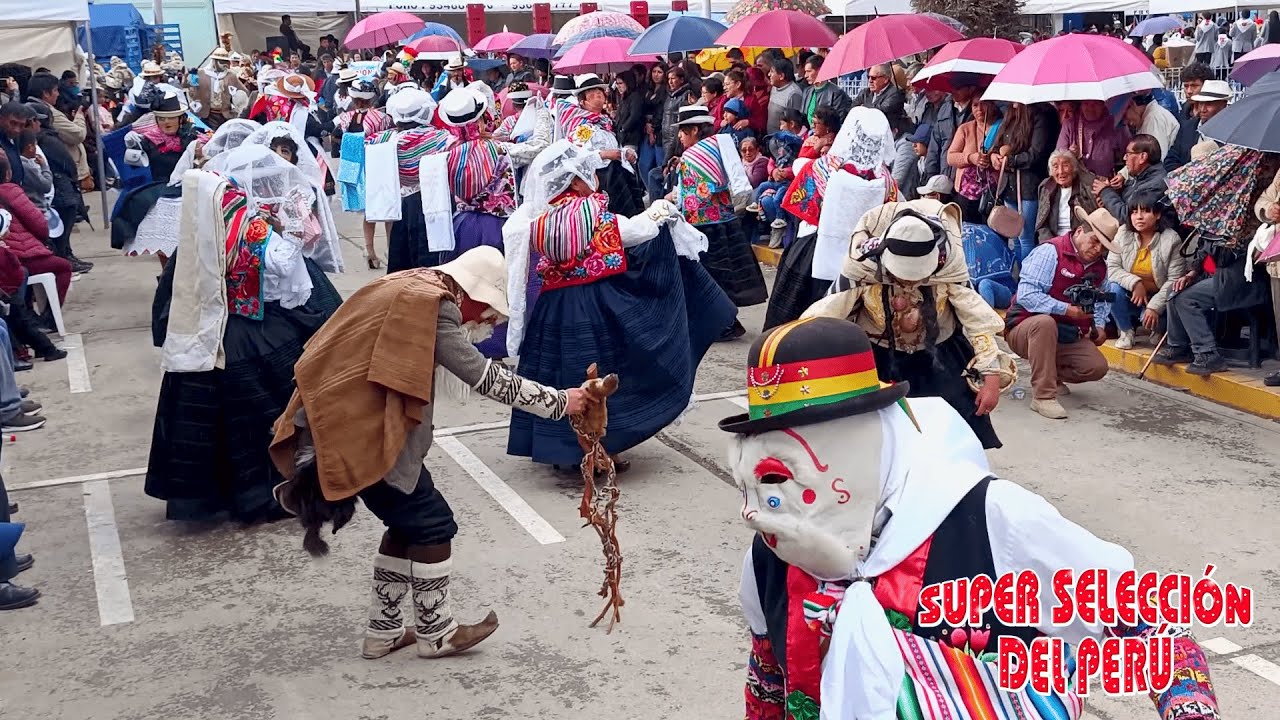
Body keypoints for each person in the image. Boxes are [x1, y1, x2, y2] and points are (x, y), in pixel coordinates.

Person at [723, 318, 1220, 720]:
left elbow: (1154, 630)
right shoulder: (771, 552)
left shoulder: (992, 520)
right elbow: (768, 678)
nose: (759, 508)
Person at [268, 248, 596, 660]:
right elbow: (483, 376)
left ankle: (383, 632)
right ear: (471, 293)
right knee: (433, 526)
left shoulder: (406, 283)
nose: (488, 322)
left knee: (408, 526)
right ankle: (436, 632)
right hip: (366, 436)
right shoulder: (433, 306)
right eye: (489, 311)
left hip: (341, 423)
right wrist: (557, 402)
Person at [504, 139, 735, 473]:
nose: (593, 178)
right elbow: (635, 231)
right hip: (593, 305)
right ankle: (596, 452)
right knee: (597, 378)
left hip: (553, 305)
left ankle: (561, 448)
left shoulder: (537, 219)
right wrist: (662, 210)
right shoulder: (591, 213)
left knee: (556, 373)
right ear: (574, 180)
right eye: (587, 174)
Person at [145, 155, 343, 523]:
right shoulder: (253, 231)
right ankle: (267, 494)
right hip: (255, 337)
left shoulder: (199, 237)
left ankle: (214, 498)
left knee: (211, 423)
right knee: (265, 421)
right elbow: (290, 282)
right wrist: (289, 233)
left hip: (211, 334)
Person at [805, 199, 1012, 449]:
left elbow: (977, 320)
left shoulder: (949, 268)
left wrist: (991, 379)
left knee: (950, 438)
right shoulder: (863, 269)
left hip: (940, 359)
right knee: (876, 441)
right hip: (877, 363)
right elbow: (825, 317)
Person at [764, 108, 899, 331]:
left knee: (795, 322)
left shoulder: (825, 168)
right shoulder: (886, 180)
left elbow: (800, 185)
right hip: (865, 259)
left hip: (815, 254)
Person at [667, 105, 767, 340]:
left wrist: (672, 201)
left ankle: (721, 324)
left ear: (693, 130)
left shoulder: (690, 157)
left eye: (682, 131)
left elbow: (692, 199)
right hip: (728, 221)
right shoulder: (719, 146)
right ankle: (728, 321)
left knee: (708, 278)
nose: (680, 137)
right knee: (727, 275)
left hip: (704, 227)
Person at [1003, 207, 1114, 420]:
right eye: (1094, 240)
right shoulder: (1050, 252)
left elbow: (1102, 299)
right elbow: (1027, 295)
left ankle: (1051, 375)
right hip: (1024, 328)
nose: (1097, 249)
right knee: (1044, 323)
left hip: (1066, 334)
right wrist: (1066, 309)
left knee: (1096, 367)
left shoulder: (1101, 267)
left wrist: (1099, 326)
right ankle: (1043, 396)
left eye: (1103, 245)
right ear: (1080, 231)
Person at [366, 88, 456, 273]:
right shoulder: (442, 138)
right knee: (433, 259)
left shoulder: (385, 140)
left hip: (404, 204)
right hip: (436, 202)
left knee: (403, 259)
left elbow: (366, 139)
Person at [1106, 192, 1186, 349]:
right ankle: (1126, 331)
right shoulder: (1123, 233)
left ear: (1157, 215)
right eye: (1134, 212)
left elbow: (1175, 279)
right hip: (1131, 297)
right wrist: (1136, 283)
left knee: (1151, 327)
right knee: (1112, 288)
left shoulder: (1171, 239)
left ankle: (1158, 327)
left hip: (1158, 299)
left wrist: (1154, 307)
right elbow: (1112, 268)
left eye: (1145, 211)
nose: (1139, 217)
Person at [331, 77, 392, 269]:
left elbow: (334, 136)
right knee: (388, 209)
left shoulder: (345, 119)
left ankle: (369, 249)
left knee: (368, 211)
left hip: (356, 167)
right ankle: (391, 249)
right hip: (378, 165)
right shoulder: (383, 118)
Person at [1035, 149, 1099, 242]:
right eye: (1056, 167)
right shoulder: (1046, 188)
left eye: (1065, 165)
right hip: (1054, 240)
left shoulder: (1086, 187)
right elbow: (1042, 225)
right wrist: (1050, 243)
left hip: (1080, 239)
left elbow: (1093, 222)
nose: (1061, 172)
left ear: (1073, 168)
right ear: (1051, 171)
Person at [192, 47, 248, 129]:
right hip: (206, 115)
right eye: (222, 61)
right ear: (214, 61)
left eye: (226, 61)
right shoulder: (201, 74)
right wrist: (189, 75)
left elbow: (244, 92)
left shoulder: (230, 76)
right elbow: (188, 86)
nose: (224, 64)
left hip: (225, 115)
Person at [799, 55, 852, 125]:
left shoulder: (836, 93)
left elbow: (838, 120)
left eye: (809, 71)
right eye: (805, 72)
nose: (806, 75)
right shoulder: (807, 92)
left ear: (820, 70)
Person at [853, 62, 907, 130]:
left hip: (889, 134)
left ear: (885, 79)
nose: (870, 81)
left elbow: (880, 111)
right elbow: (852, 110)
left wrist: (863, 107)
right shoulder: (865, 92)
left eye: (873, 78)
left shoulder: (896, 94)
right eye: (868, 77)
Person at [765, 58, 802, 135]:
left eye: (772, 72)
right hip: (771, 137)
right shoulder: (774, 87)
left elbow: (794, 124)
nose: (769, 75)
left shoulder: (793, 94)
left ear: (781, 76)